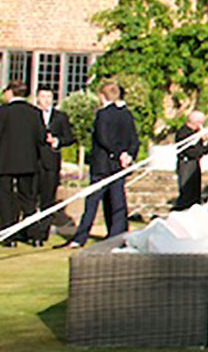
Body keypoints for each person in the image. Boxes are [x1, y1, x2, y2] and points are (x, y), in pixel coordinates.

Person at [66, 81, 137, 248]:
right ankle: (117, 236)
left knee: (93, 202)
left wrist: (118, 154)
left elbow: (103, 138)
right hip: (119, 165)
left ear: (102, 96)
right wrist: (127, 155)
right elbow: (134, 140)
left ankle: (80, 237)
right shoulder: (126, 114)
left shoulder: (103, 114)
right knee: (117, 201)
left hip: (103, 166)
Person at [0, 83, 45, 246]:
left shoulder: (2, 112)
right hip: (27, 162)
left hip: (4, 162)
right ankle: (34, 235)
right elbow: (41, 138)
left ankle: (9, 237)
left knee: (5, 200)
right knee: (28, 200)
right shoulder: (34, 113)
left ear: (10, 92)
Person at [34, 88, 72, 246]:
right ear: (37, 98)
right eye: (43, 96)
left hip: (51, 162)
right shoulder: (31, 115)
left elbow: (69, 137)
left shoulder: (60, 117)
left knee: (47, 199)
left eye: (49, 96)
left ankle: (42, 234)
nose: (46, 100)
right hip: (33, 161)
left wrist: (56, 141)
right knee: (30, 198)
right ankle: (31, 232)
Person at [172, 111, 208, 210]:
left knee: (194, 191)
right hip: (186, 164)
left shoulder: (195, 133)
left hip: (194, 164)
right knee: (187, 191)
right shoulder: (184, 132)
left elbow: (201, 151)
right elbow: (192, 152)